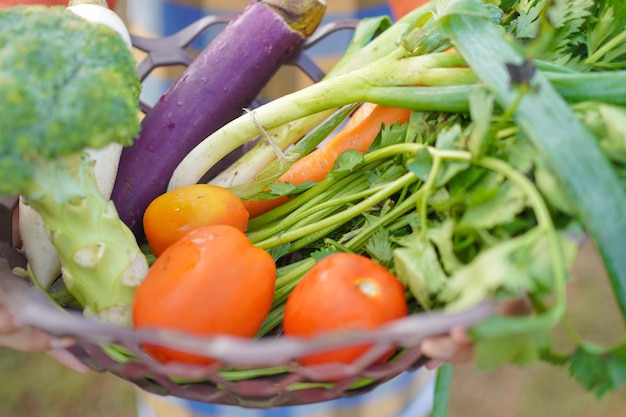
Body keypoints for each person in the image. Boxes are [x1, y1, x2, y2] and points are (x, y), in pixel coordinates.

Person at [0, 1, 477, 417]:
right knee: (183, 381)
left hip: (361, 66)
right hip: (192, 85)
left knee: (366, 391)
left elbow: (461, 17)